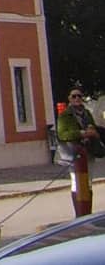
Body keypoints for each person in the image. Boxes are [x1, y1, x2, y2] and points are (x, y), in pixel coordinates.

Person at [57, 85, 100, 216]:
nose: (77, 98)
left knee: (88, 183)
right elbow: (62, 134)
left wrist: (93, 132)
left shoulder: (87, 113)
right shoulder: (65, 115)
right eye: (74, 96)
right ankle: (80, 214)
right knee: (77, 183)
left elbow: (93, 127)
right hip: (73, 154)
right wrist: (81, 133)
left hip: (88, 152)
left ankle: (88, 213)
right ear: (69, 99)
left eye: (79, 96)